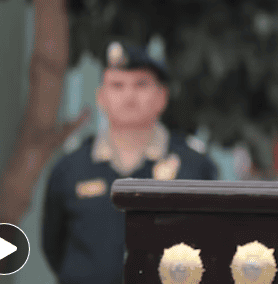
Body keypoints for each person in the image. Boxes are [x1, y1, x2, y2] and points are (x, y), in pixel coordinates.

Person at [41, 41, 218, 283]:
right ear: (101, 97)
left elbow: (213, 243)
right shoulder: (70, 168)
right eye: (117, 85)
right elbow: (53, 247)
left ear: (162, 96)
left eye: (141, 85)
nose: (129, 96)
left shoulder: (194, 167)